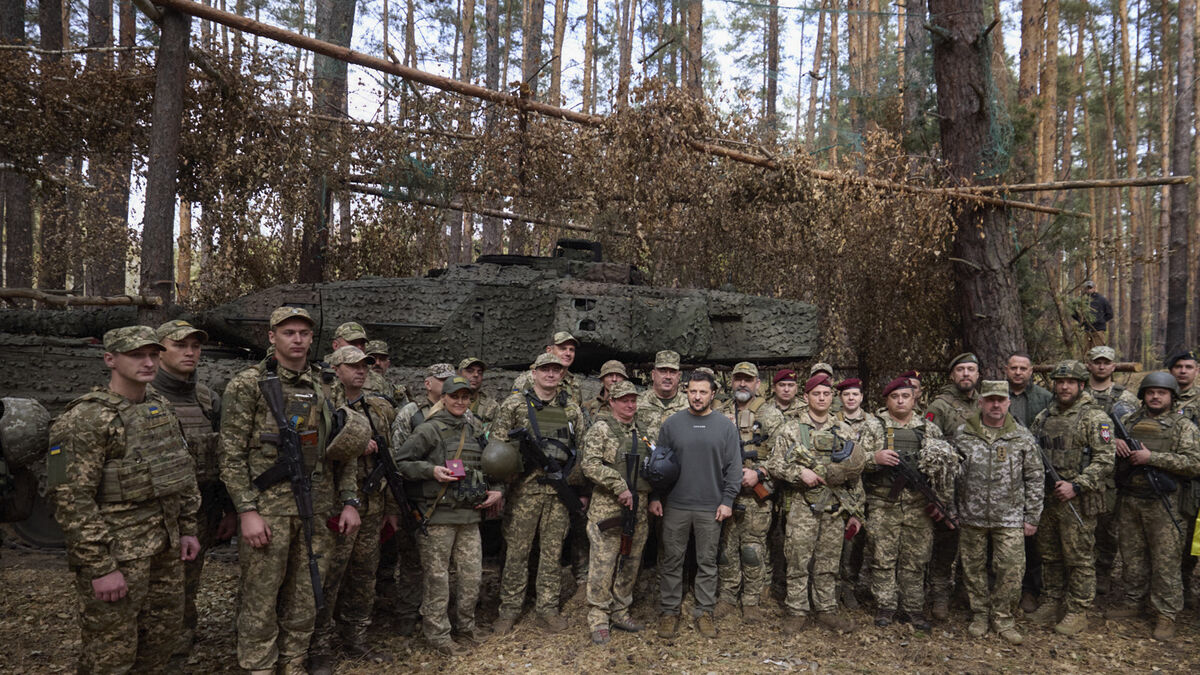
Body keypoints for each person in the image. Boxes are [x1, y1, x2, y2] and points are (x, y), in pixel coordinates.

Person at [47, 325, 202, 674]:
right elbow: (71, 500)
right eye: (136, 355)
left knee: (159, 646)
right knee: (110, 655)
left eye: (153, 355)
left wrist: (187, 528)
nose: (148, 362)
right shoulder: (85, 419)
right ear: (110, 359)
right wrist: (100, 567)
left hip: (165, 550)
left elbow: (180, 472)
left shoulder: (160, 407)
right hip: (118, 556)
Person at [219, 307, 360, 674]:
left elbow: (344, 451)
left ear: (312, 338)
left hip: (317, 506)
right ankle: (260, 667)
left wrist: (349, 501)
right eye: (288, 332)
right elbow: (231, 455)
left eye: (303, 333)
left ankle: (294, 662)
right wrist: (247, 511)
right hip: (268, 510)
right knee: (261, 596)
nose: (297, 339)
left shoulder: (327, 385)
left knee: (307, 593)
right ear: (272, 337)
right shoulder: (248, 385)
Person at [395, 375, 504, 654]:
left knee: (471, 577)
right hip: (437, 516)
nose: (460, 401)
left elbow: (490, 465)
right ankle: (438, 635)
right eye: (455, 396)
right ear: (444, 398)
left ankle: (466, 627)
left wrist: (498, 490)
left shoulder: (474, 429)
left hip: (469, 516)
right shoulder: (429, 430)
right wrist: (430, 470)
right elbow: (401, 462)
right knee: (437, 579)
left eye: (465, 397)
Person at [148, 319, 234, 657]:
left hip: (199, 511)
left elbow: (224, 456)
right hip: (154, 513)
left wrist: (228, 509)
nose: (190, 352)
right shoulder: (144, 395)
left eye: (195, 346)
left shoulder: (206, 399)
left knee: (187, 584)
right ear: (160, 351)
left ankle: (179, 647)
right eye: (180, 345)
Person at [309, 346, 395, 672]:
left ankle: (355, 637)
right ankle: (319, 645)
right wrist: (355, 444)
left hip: (372, 503)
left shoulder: (377, 409)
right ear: (336, 369)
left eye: (364, 366)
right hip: (336, 505)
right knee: (330, 577)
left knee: (364, 574)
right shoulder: (325, 405)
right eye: (353, 365)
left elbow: (389, 460)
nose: (361, 371)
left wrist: (391, 508)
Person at [491, 352, 586, 634]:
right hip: (524, 491)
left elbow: (581, 451)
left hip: (558, 493)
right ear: (534, 373)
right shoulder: (514, 405)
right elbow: (496, 448)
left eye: (556, 370)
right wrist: (498, 487)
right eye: (545, 369)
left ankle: (547, 608)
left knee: (552, 553)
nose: (551, 374)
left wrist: (578, 488)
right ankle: (509, 610)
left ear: (562, 375)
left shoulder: (571, 410)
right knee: (517, 552)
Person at [767, 373, 868, 633]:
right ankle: (796, 611)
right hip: (802, 505)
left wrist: (856, 511)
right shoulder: (791, 429)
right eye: (816, 394)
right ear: (806, 397)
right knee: (797, 560)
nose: (821, 398)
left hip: (835, 506)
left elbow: (855, 475)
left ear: (832, 397)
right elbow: (774, 464)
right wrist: (799, 473)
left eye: (826, 394)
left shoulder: (843, 430)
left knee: (828, 562)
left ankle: (826, 610)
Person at [1104, 371, 1200, 641]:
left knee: (1166, 561)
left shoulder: (1183, 427)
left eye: (1162, 393)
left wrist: (1152, 458)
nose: (1156, 397)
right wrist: (1115, 443)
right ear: (1143, 395)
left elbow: (1194, 463)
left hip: (1166, 503)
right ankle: (1133, 601)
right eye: (1151, 392)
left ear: (1172, 396)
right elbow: (1103, 445)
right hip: (1130, 498)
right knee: (1132, 556)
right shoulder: (1127, 421)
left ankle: (1166, 614)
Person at [951, 380, 1043, 645]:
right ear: (980, 402)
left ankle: (1003, 618)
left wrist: (1032, 516)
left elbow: (1035, 477)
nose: (995, 405)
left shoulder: (1022, 436)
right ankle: (980, 614)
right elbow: (951, 476)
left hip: (1010, 517)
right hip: (971, 515)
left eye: (1000, 400)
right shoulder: (963, 434)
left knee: (1011, 570)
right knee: (973, 568)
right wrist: (951, 509)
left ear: (1008, 403)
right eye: (990, 400)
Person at [1027, 360, 1115, 636]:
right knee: (1049, 554)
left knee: (1079, 557)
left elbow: (1105, 460)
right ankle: (1052, 600)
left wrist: (1077, 485)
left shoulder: (1095, 418)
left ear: (1081, 385)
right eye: (1060, 382)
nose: (1064, 387)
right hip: (1048, 497)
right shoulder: (1044, 417)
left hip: (1078, 500)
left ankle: (1078, 610)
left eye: (1070, 382)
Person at [862, 376, 955, 631]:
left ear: (915, 399)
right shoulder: (874, 427)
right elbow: (855, 460)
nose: (900, 401)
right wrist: (874, 458)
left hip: (918, 505)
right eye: (895, 397)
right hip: (883, 502)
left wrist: (941, 502)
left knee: (916, 559)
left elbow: (944, 471)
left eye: (905, 396)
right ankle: (885, 606)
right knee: (882, 557)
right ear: (887, 400)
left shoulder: (929, 429)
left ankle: (913, 608)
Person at [654, 370, 742, 639]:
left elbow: (734, 467)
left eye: (703, 392)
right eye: (693, 391)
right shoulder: (672, 424)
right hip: (676, 505)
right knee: (672, 560)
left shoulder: (725, 427)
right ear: (686, 392)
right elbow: (658, 465)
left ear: (712, 394)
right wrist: (656, 496)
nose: (697, 396)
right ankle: (669, 611)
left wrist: (727, 500)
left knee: (707, 562)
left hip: (710, 507)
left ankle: (704, 611)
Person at [378, 362, 454, 632]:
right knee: (412, 560)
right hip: (414, 499)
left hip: (447, 500)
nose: (447, 384)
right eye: (441, 379)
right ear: (428, 383)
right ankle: (407, 613)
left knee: (442, 564)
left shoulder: (460, 412)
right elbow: (397, 458)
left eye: (451, 379)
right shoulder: (410, 413)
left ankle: (438, 613)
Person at [581, 380, 650, 644]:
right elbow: (590, 465)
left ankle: (620, 611)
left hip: (638, 507)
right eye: (624, 400)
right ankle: (598, 618)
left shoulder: (641, 431)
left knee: (630, 561)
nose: (630, 405)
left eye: (633, 400)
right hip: (608, 508)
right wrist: (619, 485)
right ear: (611, 402)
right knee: (603, 563)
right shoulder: (601, 429)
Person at [714, 362, 784, 619]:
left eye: (748, 379)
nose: (742, 383)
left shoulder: (771, 415)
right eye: (738, 379)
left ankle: (752, 601)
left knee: (752, 550)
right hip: (725, 495)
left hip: (756, 495)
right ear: (732, 382)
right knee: (726, 550)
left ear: (757, 384)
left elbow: (783, 455)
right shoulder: (719, 413)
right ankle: (727, 597)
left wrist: (759, 473)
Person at [925, 352, 980, 620]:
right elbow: (928, 446)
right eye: (960, 370)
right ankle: (940, 595)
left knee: (974, 543)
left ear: (978, 374)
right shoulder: (940, 406)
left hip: (978, 486)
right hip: (949, 486)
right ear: (952, 375)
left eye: (971, 369)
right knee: (946, 543)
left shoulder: (986, 402)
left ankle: (966, 593)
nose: (966, 374)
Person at [1083, 345, 1138, 596]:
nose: (1102, 366)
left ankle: (1103, 571)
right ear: (1089, 365)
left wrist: (1119, 442)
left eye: (1106, 362)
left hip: (1113, 474)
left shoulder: (1126, 398)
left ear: (1113, 366)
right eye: (1097, 362)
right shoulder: (1078, 393)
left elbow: (1135, 431)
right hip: (1083, 468)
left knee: (1108, 527)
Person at [835, 377, 884, 610]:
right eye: (846, 394)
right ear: (840, 398)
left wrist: (862, 460)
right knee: (834, 540)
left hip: (866, 490)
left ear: (862, 397)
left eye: (855, 394)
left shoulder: (873, 424)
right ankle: (832, 587)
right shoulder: (832, 421)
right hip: (837, 489)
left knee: (856, 541)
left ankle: (849, 585)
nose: (851, 398)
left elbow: (881, 456)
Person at [1167, 349, 1200, 606]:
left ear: (1196, 371)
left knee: (1190, 536)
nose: (1183, 371)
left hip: (1193, 478)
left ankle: (1186, 584)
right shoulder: (1159, 395)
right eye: (1179, 366)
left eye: (1188, 367)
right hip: (1163, 477)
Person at [510, 331, 584, 408]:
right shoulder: (527, 379)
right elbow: (512, 408)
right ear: (549, 350)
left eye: (571, 350)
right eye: (562, 349)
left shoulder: (573, 384)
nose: (568, 353)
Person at [327, 322, 394, 404]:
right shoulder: (319, 374)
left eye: (362, 344)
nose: (359, 347)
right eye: (353, 342)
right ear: (335, 345)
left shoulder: (377, 380)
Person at [635, 350, 688, 441]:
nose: (668, 377)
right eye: (663, 371)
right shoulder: (636, 402)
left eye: (672, 372)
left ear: (679, 376)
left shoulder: (689, 404)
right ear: (653, 375)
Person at [1005, 353, 1052, 429]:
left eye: (1023, 369)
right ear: (1006, 369)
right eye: (1013, 368)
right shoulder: (995, 396)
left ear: (1030, 371)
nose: (1018, 372)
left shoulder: (1045, 397)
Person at [364, 340, 409, 405]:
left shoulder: (395, 391)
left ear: (388, 363)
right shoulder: (356, 387)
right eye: (373, 358)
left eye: (382, 359)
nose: (377, 363)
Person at [458, 357, 499, 426]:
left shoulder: (491, 406)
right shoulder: (449, 403)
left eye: (480, 372)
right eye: (470, 371)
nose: (476, 375)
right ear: (459, 374)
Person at [1072, 281, 1114, 349]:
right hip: (1086, 331)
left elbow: (1110, 314)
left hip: (1098, 331)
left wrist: (1101, 321)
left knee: (1098, 351)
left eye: (1090, 288)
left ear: (1094, 288)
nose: (1088, 290)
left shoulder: (1102, 300)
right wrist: (1080, 320)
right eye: (1087, 288)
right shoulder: (1081, 300)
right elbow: (1072, 310)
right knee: (1086, 351)